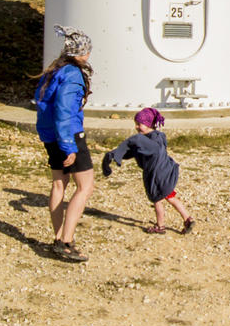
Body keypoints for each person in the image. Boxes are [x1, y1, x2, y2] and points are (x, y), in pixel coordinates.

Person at [30, 37, 94, 263]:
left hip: (50, 134)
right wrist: (69, 146)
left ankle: (58, 237)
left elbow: (43, 104)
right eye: (87, 51)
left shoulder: (53, 70)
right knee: (85, 186)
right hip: (68, 135)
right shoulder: (73, 75)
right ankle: (66, 242)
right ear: (81, 54)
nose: (89, 55)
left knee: (59, 184)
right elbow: (64, 111)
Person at [102, 107, 194, 235]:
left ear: (149, 124)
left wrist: (134, 141)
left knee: (157, 200)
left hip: (158, 176)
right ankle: (187, 218)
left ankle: (160, 226)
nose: (137, 127)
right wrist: (116, 154)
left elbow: (144, 146)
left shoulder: (150, 140)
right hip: (165, 173)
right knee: (171, 197)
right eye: (136, 124)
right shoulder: (156, 137)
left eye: (139, 124)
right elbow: (133, 150)